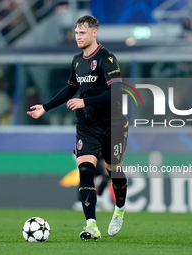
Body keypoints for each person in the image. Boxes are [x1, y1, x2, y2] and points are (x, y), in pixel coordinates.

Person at [27, 15, 128, 241]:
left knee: (114, 172)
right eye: (76, 32)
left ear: (94, 33)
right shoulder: (76, 61)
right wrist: (45, 107)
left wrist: (86, 101)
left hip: (112, 123)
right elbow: (70, 89)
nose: (78, 36)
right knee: (85, 170)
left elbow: (116, 92)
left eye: (82, 32)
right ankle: (91, 225)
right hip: (87, 124)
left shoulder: (107, 59)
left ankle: (119, 209)